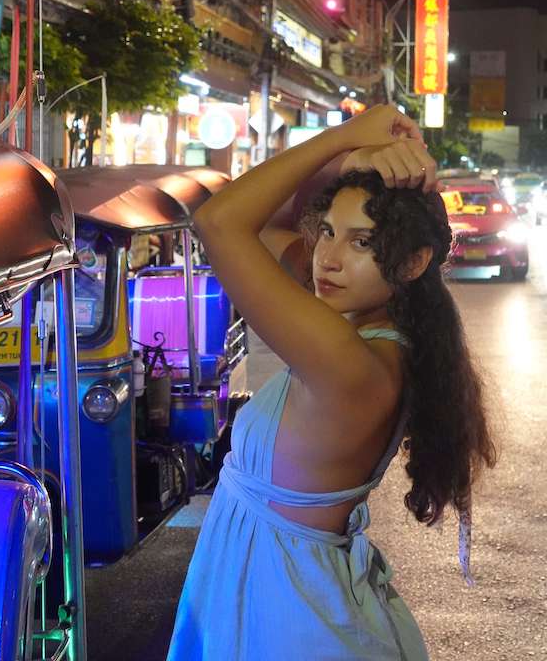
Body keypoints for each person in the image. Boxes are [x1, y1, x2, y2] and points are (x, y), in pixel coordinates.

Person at [166, 105, 497, 661]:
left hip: (293, 617)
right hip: (286, 592)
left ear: (414, 263)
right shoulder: (358, 331)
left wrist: (340, 139)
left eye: (362, 242)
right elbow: (272, 224)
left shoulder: (350, 363)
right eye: (327, 232)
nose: (329, 258)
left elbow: (221, 223)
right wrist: (355, 159)